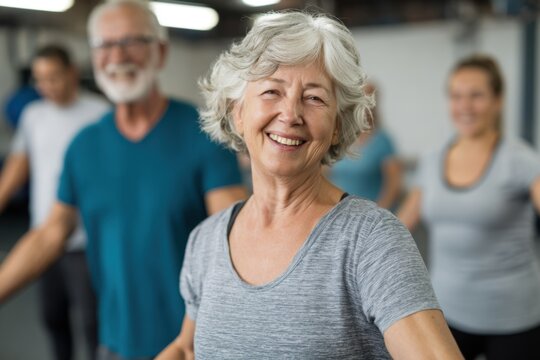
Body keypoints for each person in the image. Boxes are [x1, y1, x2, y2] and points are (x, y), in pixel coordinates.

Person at [157, 11, 463, 359]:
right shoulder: (205, 240)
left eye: (314, 97)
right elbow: (188, 347)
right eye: (272, 91)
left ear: (336, 125)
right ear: (238, 112)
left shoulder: (371, 241)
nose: (290, 114)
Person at [0, 1, 247, 359]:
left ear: (160, 52)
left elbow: (233, 240)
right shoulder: (84, 146)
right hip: (114, 341)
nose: (117, 56)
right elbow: (51, 233)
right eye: (105, 44)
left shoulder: (203, 135)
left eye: (132, 41)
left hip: (192, 343)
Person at [398, 55, 540, 359]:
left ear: (497, 100)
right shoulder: (433, 158)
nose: (465, 106)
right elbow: (402, 223)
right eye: (456, 96)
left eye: (476, 95)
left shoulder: (520, 159)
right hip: (446, 312)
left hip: (513, 318)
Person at [0, 44, 109, 360]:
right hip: (42, 237)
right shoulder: (33, 115)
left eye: (53, 77)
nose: (46, 86)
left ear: (72, 72)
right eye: (39, 79)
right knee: (53, 318)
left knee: (92, 323)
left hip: (86, 242)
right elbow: (18, 165)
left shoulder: (100, 114)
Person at [329, 82, 402, 209]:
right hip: (338, 214)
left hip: (371, 217)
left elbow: (394, 186)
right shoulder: (338, 138)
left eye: (369, 101)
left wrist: (379, 214)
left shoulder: (383, 141)